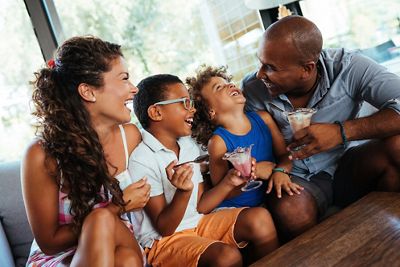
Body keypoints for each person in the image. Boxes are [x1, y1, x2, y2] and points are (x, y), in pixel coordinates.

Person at [242, 15, 400, 241]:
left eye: (270, 67)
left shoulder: (349, 67)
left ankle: (385, 243)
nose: (260, 74)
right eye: (260, 63)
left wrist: (341, 132)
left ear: (307, 69)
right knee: (291, 210)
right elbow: (246, 140)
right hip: (297, 177)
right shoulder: (253, 89)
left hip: (349, 163)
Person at [22, 36, 151, 267]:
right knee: (123, 254)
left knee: (117, 242)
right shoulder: (42, 154)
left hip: (119, 239)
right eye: (124, 79)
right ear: (88, 92)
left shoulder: (130, 136)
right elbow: (49, 243)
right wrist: (117, 207)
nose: (134, 89)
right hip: (59, 257)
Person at [129, 74, 279, 267]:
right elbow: (165, 228)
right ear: (156, 112)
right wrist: (183, 192)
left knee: (260, 219)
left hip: (199, 223)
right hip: (164, 241)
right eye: (184, 103)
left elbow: (201, 207)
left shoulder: (188, 145)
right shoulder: (142, 160)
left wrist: (229, 182)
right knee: (226, 257)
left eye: (190, 102)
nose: (192, 109)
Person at [186, 65, 303, 210]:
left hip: (269, 195)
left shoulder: (263, 118)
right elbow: (224, 193)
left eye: (228, 82)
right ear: (211, 112)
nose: (229, 85)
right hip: (240, 207)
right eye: (219, 87)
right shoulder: (218, 143)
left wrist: (280, 171)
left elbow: (284, 155)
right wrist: (255, 173)